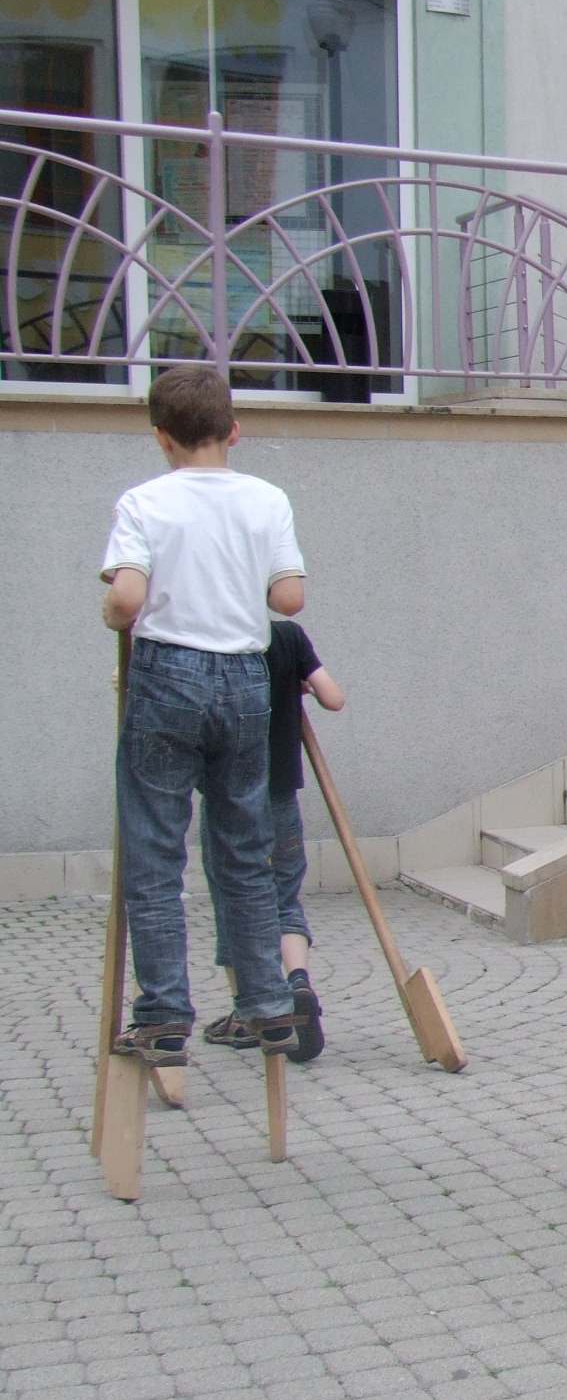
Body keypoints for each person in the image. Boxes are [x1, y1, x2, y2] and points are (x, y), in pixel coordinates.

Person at [97, 364, 310, 1073]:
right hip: (245, 679)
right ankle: (268, 1004)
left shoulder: (144, 501)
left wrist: (111, 612)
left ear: (162, 437)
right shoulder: (267, 498)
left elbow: (128, 599)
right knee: (244, 849)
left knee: (155, 850)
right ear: (234, 430)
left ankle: (163, 1015)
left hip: (169, 675)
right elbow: (288, 599)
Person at [201, 622, 345, 1063]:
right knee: (284, 896)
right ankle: (298, 980)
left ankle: (247, 1015)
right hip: (281, 795)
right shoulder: (288, 637)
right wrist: (300, 683)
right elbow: (334, 698)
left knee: (233, 899)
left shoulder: (211, 636)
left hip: (229, 798)